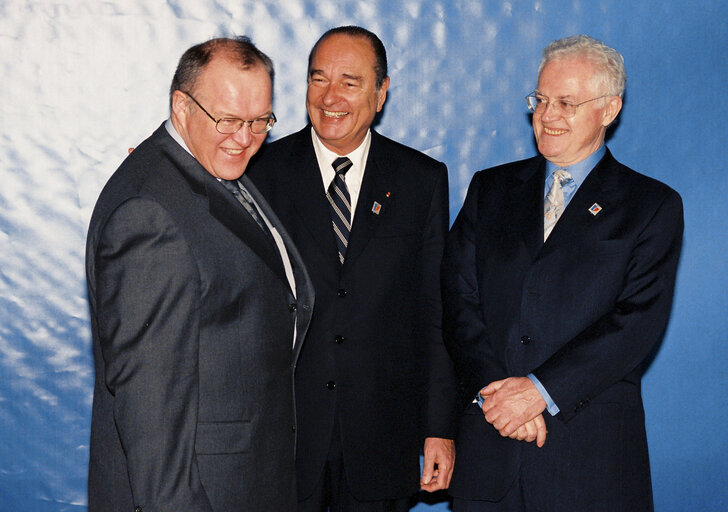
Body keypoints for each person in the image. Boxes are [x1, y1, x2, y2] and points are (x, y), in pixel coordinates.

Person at [442, 34, 683, 511]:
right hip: (490, 446)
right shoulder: (490, 189)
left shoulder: (650, 206)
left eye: (567, 103)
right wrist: (500, 395)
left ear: (609, 109)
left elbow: (635, 324)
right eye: (541, 100)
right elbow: (457, 297)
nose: (547, 115)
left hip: (588, 459)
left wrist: (538, 392)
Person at [86, 36, 313, 512]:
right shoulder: (150, 213)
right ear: (181, 106)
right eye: (229, 119)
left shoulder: (209, 168)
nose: (244, 138)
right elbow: (151, 421)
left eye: (260, 121)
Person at [249, 25, 456, 512]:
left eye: (350, 82)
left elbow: (435, 313)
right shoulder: (260, 172)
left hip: (383, 441)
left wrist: (439, 428)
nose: (330, 97)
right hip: (284, 439)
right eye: (318, 79)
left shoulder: (421, 181)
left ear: (381, 93)